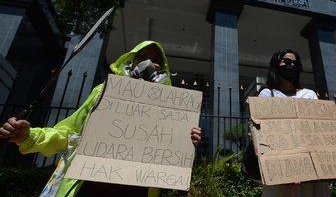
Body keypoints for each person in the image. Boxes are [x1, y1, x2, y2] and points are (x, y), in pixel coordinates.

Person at [0, 41, 203, 197]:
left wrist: (187, 144)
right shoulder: (102, 93)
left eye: (155, 58)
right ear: (130, 62)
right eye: (142, 56)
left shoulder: (171, 109)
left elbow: (172, 164)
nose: (150, 63)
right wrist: (29, 136)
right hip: (87, 189)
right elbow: (66, 134)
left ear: (163, 69)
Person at [256, 48, 329, 197]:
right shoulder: (267, 94)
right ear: (276, 66)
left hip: (311, 167)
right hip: (282, 168)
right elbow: (261, 133)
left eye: (296, 63)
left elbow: (321, 130)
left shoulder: (309, 94)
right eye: (287, 62)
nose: (292, 66)